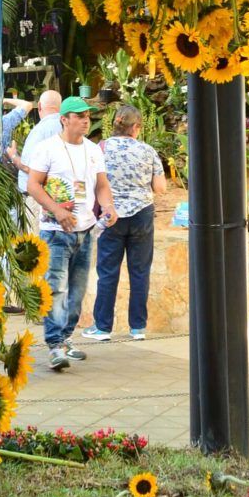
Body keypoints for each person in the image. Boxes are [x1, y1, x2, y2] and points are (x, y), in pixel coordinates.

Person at [27, 97, 117, 372]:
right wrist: (57, 210)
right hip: (55, 232)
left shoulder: (93, 150)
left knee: (77, 292)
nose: (85, 120)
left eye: (87, 115)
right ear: (64, 119)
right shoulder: (47, 149)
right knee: (56, 290)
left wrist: (110, 206)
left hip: (85, 231)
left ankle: (65, 339)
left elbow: (102, 185)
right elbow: (33, 185)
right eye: (78, 116)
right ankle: (54, 344)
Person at [80, 103, 166, 342]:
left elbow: (91, 181)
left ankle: (103, 327)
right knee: (140, 271)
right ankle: (138, 328)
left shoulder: (100, 148)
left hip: (111, 214)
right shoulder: (148, 151)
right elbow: (160, 187)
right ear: (136, 127)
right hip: (142, 215)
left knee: (107, 271)